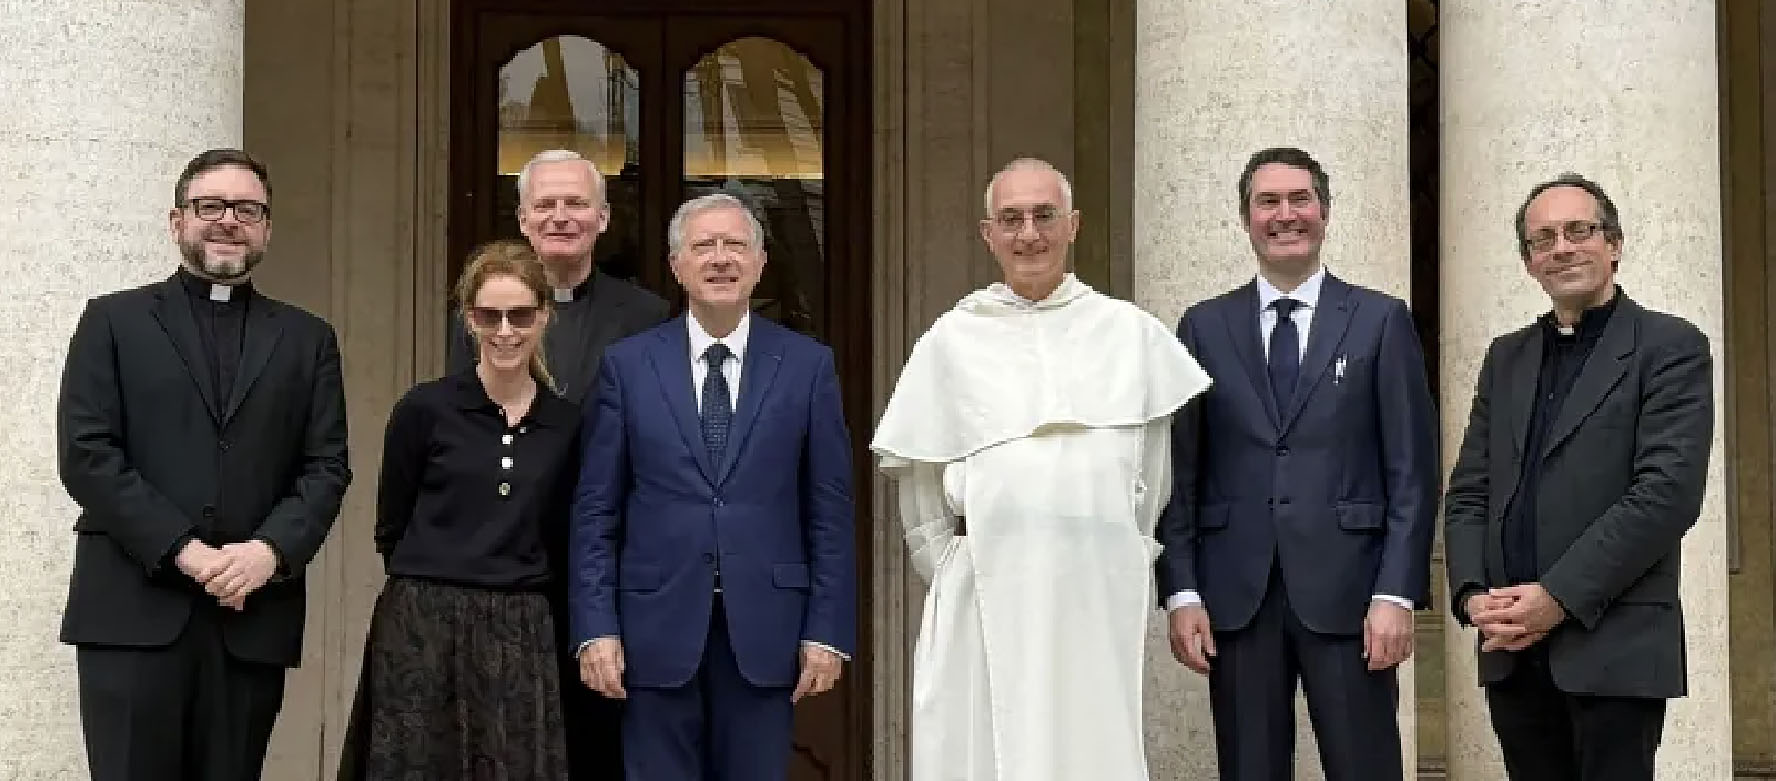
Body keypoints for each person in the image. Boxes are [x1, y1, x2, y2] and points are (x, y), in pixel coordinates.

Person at [872, 157, 1213, 780]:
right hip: (982, 588)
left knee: (1090, 748)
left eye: (1043, 216)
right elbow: (920, 496)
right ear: (988, 234)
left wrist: (1116, 550)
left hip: (1095, 586)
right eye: (1012, 219)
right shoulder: (949, 342)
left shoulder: (1129, 334)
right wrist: (956, 567)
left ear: (1073, 224)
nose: (1029, 233)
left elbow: (1152, 480)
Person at [56, 148, 351, 781]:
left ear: (267, 228)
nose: (228, 221)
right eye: (209, 206)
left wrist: (267, 553)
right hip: (133, 612)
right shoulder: (113, 320)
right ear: (176, 221)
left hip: (249, 618)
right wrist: (184, 549)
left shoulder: (307, 340)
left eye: (247, 209)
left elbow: (326, 468)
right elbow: (86, 455)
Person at [1157, 147, 1439, 781]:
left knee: (1364, 766)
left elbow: (1412, 472)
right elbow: (1180, 474)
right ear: (1245, 218)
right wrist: (1182, 589)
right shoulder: (1204, 327)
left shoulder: (1379, 320)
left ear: (1325, 212)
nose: (1285, 215)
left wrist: (1396, 593)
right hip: (1237, 596)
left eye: (1299, 200)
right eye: (1268, 202)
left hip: (1353, 595)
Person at [567, 193, 857, 779]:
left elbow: (829, 512)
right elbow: (597, 510)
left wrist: (827, 631)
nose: (720, 259)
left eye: (735, 245)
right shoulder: (628, 365)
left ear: (759, 261)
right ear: (677, 266)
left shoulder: (807, 366)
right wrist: (596, 628)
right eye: (704, 246)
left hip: (766, 630)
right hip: (651, 631)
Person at [1442, 173, 1712, 781]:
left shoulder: (1670, 346)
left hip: (1612, 648)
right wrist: (1472, 596)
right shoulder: (1505, 357)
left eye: (1578, 231)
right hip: (1512, 650)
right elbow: (1469, 494)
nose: (1560, 247)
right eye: (1543, 239)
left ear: (1614, 244)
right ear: (1529, 263)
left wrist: (1556, 598)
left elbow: (1666, 496)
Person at [447, 148, 668, 778]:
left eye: (575, 203)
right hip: (510, 562)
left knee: (601, 745)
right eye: (545, 204)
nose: (560, 216)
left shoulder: (645, 316)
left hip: (612, 563)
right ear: (522, 218)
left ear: (602, 217)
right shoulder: (479, 318)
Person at [338, 240, 579, 779]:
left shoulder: (568, 424)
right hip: (422, 621)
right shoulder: (424, 409)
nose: (505, 331)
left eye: (520, 315)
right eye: (487, 316)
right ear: (468, 319)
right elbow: (391, 525)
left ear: (544, 316)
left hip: (521, 626)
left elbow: (564, 531)